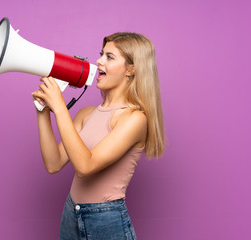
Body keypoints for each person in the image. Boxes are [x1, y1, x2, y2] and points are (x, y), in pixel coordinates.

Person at [32, 32, 165, 240]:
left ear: (131, 69)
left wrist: (59, 107)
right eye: (101, 54)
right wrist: (42, 111)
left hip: (106, 221)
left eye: (109, 57)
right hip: (70, 214)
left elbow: (85, 167)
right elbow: (53, 163)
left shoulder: (135, 118)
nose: (99, 61)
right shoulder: (86, 113)